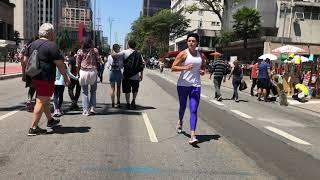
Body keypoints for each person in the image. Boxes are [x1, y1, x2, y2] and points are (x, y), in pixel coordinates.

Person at [22, 23, 70, 136]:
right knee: (41, 100)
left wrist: (24, 74)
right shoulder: (52, 46)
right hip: (46, 77)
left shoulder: (31, 44)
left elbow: (24, 60)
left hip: (35, 77)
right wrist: (66, 78)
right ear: (50, 33)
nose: (55, 34)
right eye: (54, 32)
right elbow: (60, 65)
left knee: (45, 100)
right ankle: (33, 128)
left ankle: (50, 120)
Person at [171, 33, 206, 145]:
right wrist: (185, 67)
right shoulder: (183, 54)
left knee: (194, 109)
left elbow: (203, 66)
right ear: (187, 42)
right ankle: (180, 121)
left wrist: (202, 71)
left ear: (197, 43)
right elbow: (173, 67)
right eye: (189, 41)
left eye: (193, 41)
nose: (191, 42)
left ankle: (192, 135)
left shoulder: (200, 55)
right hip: (182, 85)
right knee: (182, 106)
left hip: (195, 85)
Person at [112, 40, 144, 109]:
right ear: (135, 45)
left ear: (128, 45)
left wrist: (113, 51)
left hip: (126, 75)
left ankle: (128, 103)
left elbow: (114, 55)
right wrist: (141, 75)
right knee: (135, 89)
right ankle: (133, 100)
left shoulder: (125, 52)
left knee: (127, 90)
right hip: (136, 75)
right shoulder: (139, 53)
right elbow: (142, 65)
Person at [77, 37, 103, 116]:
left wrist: (78, 74)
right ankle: (92, 108)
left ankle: (85, 110)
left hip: (83, 72)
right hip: (92, 72)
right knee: (93, 91)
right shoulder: (94, 50)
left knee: (85, 92)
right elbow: (99, 60)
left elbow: (77, 64)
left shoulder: (80, 51)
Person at [20, 38, 38, 112]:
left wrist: (23, 74)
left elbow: (23, 61)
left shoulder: (27, 47)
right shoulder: (37, 47)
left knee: (31, 87)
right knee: (38, 88)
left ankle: (29, 101)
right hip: (37, 71)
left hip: (29, 71)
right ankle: (37, 104)